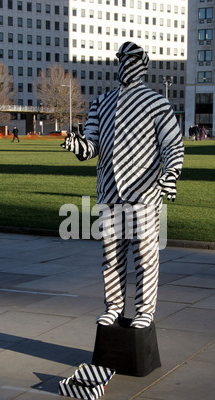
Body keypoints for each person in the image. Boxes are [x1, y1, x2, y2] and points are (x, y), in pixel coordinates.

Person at [61, 42, 184, 328]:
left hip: (144, 191)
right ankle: (114, 307)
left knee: (145, 253)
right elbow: (92, 147)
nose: (127, 65)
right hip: (109, 190)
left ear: (144, 64)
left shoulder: (156, 104)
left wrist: (171, 174)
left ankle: (144, 311)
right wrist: (78, 145)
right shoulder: (101, 103)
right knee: (111, 254)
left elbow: (172, 145)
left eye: (132, 59)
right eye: (123, 59)